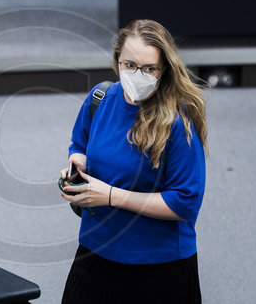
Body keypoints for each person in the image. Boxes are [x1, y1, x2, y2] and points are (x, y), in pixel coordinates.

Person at [59, 19, 209, 304]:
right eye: (129, 65)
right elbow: (80, 145)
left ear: (164, 69)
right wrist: (75, 166)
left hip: (158, 266)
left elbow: (185, 202)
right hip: (95, 252)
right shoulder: (100, 98)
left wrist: (111, 196)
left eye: (149, 68)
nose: (137, 74)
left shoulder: (179, 121)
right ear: (117, 61)